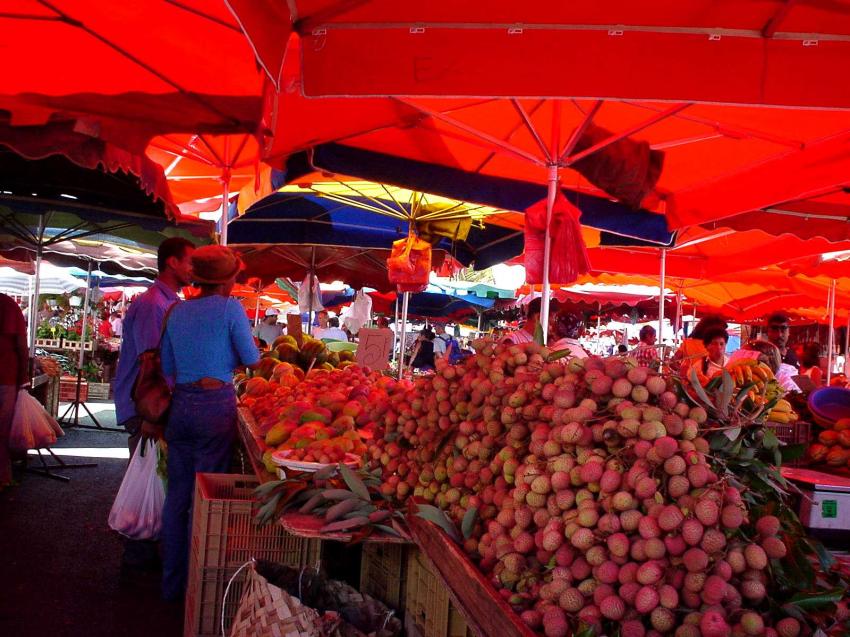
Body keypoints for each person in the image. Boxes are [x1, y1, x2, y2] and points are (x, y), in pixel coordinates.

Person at [159, 245, 260, 602]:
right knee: (204, 501)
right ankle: (196, 590)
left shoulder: (175, 310)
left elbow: (167, 367)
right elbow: (252, 359)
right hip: (215, 408)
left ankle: (170, 586)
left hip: (181, 406)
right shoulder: (231, 308)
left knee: (176, 499)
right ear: (227, 280)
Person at [112, 237, 195, 575]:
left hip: (153, 406)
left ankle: (144, 552)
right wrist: (151, 415)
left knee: (155, 476)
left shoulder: (169, 301)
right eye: (190, 261)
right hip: (145, 407)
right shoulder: (153, 304)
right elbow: (151, 363)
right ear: (172, 262)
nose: (194, 268)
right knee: (146, 473)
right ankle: (137, 556)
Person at [0, 294, 28, 489]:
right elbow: (20, 344)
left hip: (6, 376)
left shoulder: (9, 304)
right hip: (6, 377)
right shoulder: (9, 305)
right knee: (2, 431)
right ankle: (2, 478)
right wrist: (23, 375)